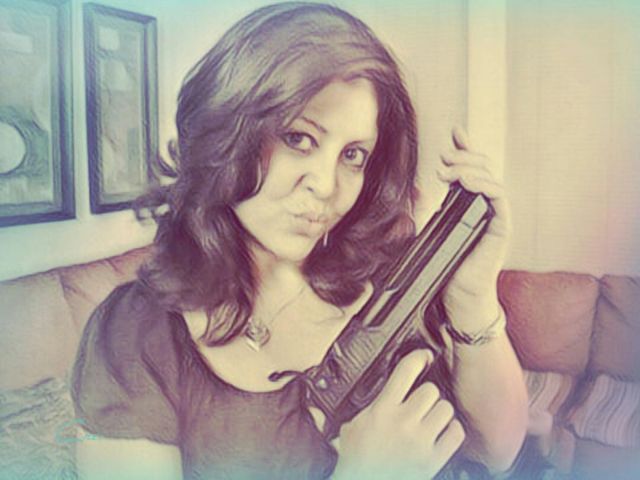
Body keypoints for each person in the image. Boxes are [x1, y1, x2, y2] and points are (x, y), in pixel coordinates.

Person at [71, 2, 528, 479]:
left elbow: (496, 451)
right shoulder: (135, 337)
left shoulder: (386, 271)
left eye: (353, 155)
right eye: (298, 138)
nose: (327, 187)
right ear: (227, 130)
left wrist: (473, 297)